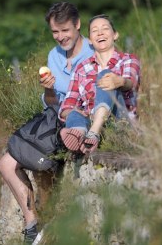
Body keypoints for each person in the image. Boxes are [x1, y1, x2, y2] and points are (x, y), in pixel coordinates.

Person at [0, 2, 93, 244]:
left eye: (65, 30)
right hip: (53, 117)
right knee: (5, 164)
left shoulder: (93, 52)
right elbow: (51, 102)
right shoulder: (54, 55)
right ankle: (31, 224)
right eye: (55, 32)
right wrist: (49, 90)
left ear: (78, 25)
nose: (60, 37)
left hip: (80, 120)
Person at [59, 14, 141, 154]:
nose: (100, 33)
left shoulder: (128, 59)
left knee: (106, 76)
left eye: (105, 28)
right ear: (90, 40)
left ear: (115, 35)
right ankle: (79, 135)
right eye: (94, 30)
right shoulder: (81, 69)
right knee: (73, 114)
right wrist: (73, 111)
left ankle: (93, 133)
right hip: (88, 121)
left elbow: (131, 82)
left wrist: (119, 81)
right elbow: (66, 106)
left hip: (119, 122)